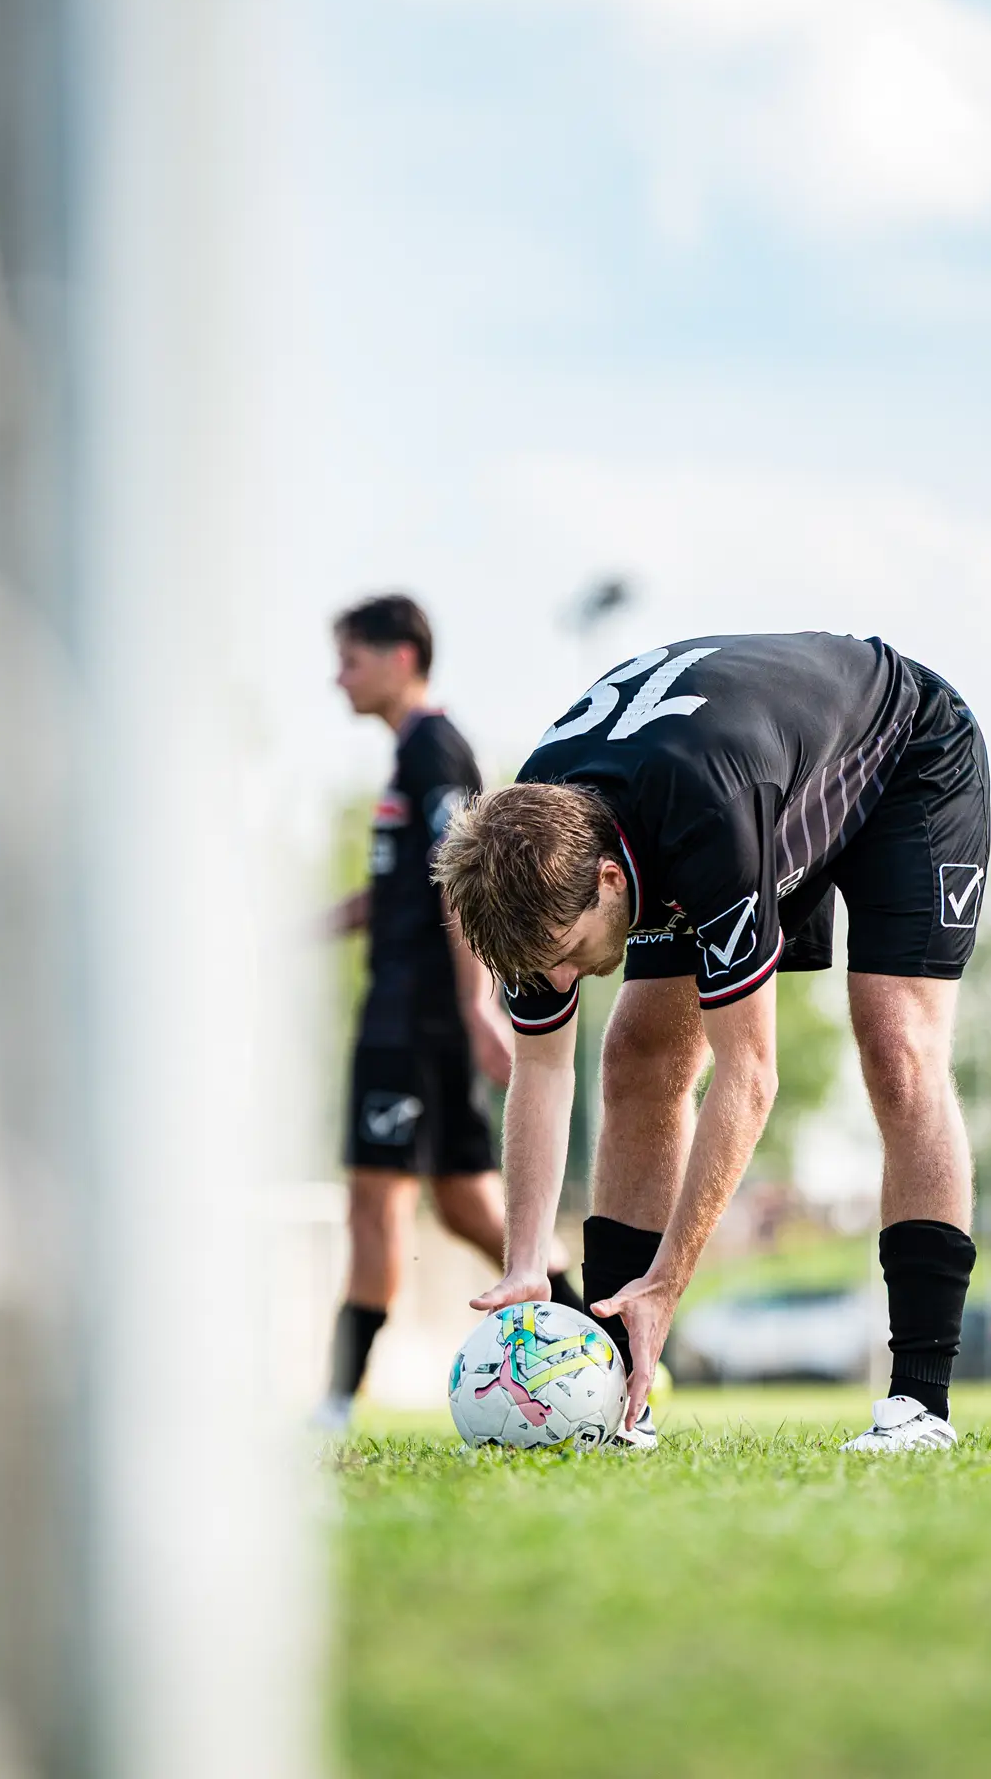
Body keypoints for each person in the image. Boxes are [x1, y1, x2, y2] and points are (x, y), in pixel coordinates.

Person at [434, 630, 988, 1453]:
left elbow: (750, 1076)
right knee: (637, 1056)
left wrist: (668, 1279)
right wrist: (525, 1262)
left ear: (609, 881)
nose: (560, 981)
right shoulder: (524, 865)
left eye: (566, 956)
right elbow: (542, 1067)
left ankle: (918, 1403)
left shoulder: (707, 823)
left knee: (896, 1049)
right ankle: (616, 1397)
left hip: (902, 752)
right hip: (740, 785)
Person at [318, 595, 582, 1430]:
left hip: (415, 1021)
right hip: (407, 1014)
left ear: (400, 658)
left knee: (374, 1202)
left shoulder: (436, 749)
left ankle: (335, 1402)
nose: (337, 679)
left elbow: (459, 883)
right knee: (469, 1208)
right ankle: (594, 1338)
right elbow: (401, 887)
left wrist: (476, 1004)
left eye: (350, 660)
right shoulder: (408, 755)